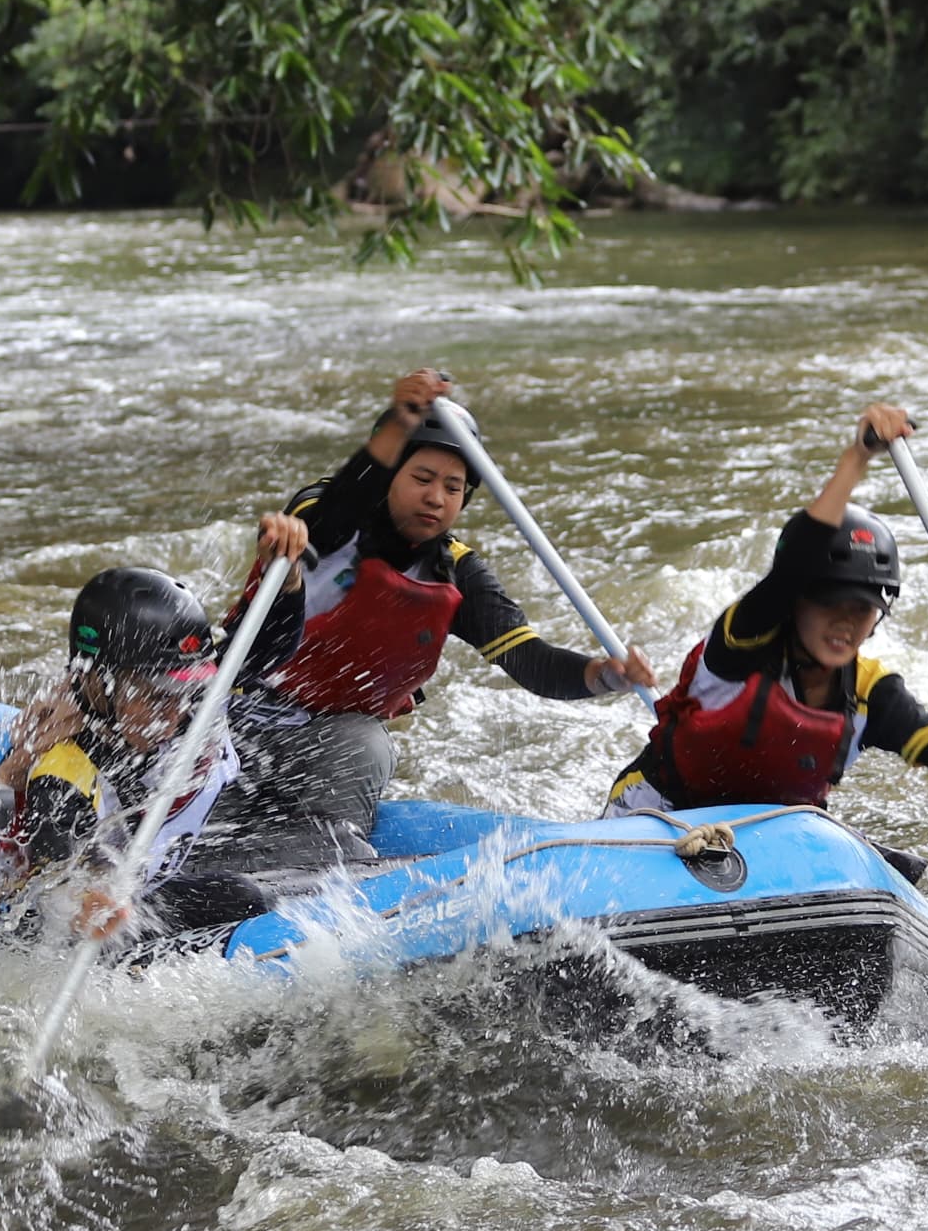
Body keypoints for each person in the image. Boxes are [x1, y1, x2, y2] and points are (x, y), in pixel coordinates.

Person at [216, 367, 656, 861]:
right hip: (236, 726)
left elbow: (532, 662)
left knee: (369, 745)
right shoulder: (322, 514)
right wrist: (400, 423)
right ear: (389, 478)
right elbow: (340, 508)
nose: (435, 498)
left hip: (328, 747)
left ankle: (322, 859)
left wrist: (603, 676)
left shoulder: (456, 570)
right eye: (422, 478)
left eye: (453, 487)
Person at [614, 403, 928, 819]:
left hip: (769, 833)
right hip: (663, 814)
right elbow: (794, 562)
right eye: (830, 604)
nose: (845, 623)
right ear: (797, 602)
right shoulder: (744, 643)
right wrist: (857, 458)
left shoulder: (870, 693)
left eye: (861, 610)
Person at [4, 518, 309, 949]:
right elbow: (55, 875)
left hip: (149, 881)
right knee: (235, 897)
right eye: (152, 696)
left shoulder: (193, 701)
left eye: (184, 691)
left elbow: (267, 645)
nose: (171, 713)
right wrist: (81, 903)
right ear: (97, 685)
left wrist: (287, 577)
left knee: (242, 895)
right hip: (74, 928)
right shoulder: (63, 771)